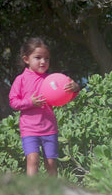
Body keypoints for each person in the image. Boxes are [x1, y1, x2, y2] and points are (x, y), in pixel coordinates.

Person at [9, 37, 80, 176]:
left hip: (49, 128)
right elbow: (13, 102)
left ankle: (52, 190)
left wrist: (75, 89)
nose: (43, 61)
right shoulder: (21, 80)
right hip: (29, 129)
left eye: (46, 58)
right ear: (26, 59)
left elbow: (64, 98)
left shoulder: (53, 80)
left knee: (51, 163)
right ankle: (33, 191)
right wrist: (30, 102)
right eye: (38, 57)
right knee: (32, 159)